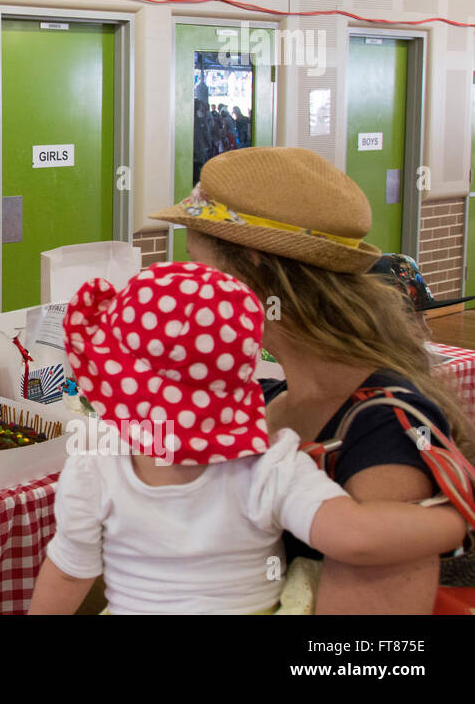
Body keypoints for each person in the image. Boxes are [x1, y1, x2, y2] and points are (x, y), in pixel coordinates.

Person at [27, 261, 468, 614]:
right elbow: (357, 538)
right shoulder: (270, 463)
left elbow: (68, 573)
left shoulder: (95, 465)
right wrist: (457, 517)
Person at [148, 146, 475, 613]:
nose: (185, 286)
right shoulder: (268, 397)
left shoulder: (384, 431)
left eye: (196, 265)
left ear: (253, 267)